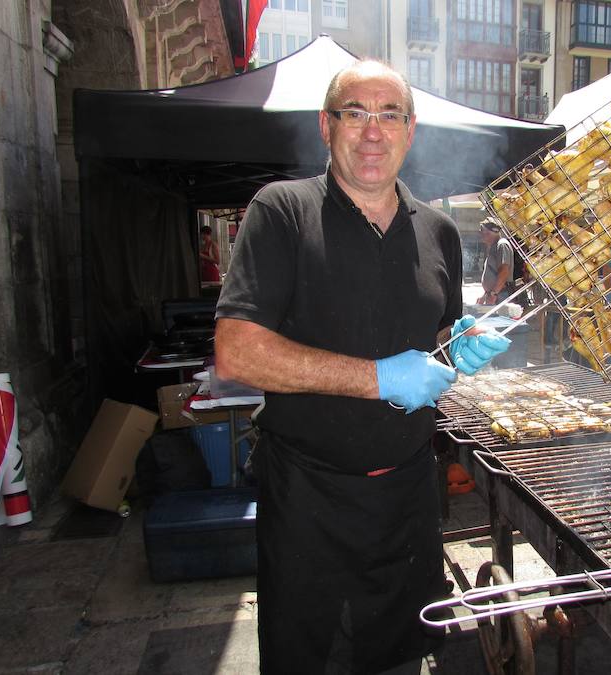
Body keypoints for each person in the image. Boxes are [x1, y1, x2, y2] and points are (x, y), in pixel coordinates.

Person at [213, 60, 510, 674]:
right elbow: (237, 350)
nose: (373, 131)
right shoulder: (283, 210)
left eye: (389, 115)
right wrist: (377, 378)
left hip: (408, 499)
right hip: (308, 500)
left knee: (402, 660)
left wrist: (458, 345)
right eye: (355, 113)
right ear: (326, 126)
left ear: (410, 130)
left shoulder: (439, 231)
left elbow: (434, 340)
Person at [477, 218, 514, 305]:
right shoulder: (494, 246)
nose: (480, 234)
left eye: (482, 231)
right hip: (496, 294)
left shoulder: (502, 245)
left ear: (488, 232)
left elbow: (504, 271)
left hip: (501, 294)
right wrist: (485, 296)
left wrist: (493, 293)